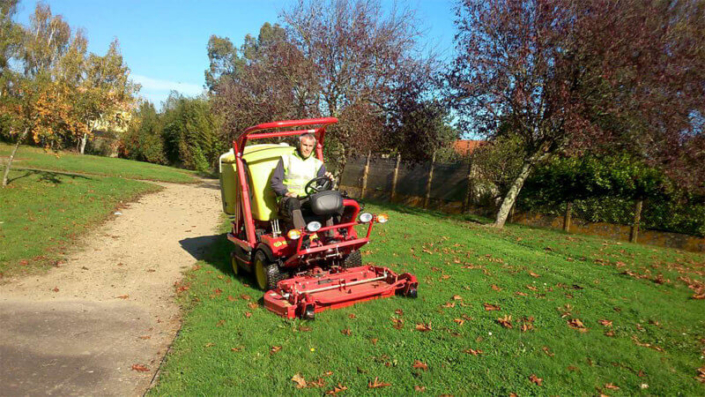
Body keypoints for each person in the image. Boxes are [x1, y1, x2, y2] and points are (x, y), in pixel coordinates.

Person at [271, 133, 334, 230]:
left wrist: (329, 181)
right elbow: (275, 181)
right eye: (305, 145)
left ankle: (331, 236)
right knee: (293, 202)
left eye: (310, 146)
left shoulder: (317, 164)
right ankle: (303, 237)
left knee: (325, 200)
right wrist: (286, 192)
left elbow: (324, 185)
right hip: (288, 200)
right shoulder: (286, 159)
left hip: (308, 198)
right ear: (299, 144)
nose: (307, 149)